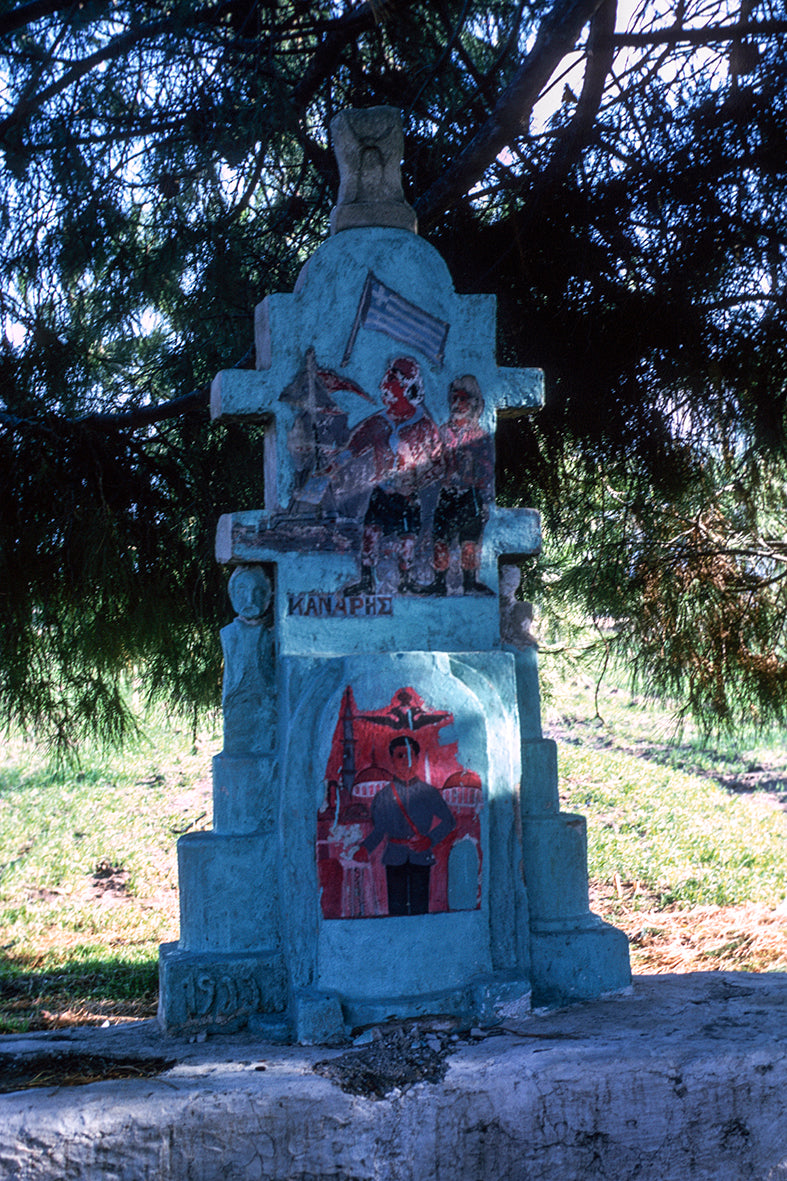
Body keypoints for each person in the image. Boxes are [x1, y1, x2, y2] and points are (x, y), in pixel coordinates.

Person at [342, 357, 441, 595]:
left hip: (407, 496)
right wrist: (333, 464)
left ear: (408, 386)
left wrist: (416, 482)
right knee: (370, 534)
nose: (383, 386)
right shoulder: (379, 421)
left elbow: (439, 463)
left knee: (408, 539)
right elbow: (354, 447)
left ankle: (406, 580)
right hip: (382, 492)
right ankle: (367, 581)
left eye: (391, 380)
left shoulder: (424, 426)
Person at [354, 735, 455, 916]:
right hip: (394, 856)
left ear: (416, 759)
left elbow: (449, 821)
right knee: (397, 909)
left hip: (421, 855)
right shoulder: (383, 796)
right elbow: (379, 830)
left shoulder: (429, 793)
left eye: (410, 755)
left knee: (420, 909)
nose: (405, 761)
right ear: (392, 759)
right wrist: (365, 848)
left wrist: (430, 840)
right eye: (400, 756)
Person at [417, 375, 494, 596]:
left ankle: (469, 583)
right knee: (440, 539)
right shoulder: (443, 433)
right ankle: (439, 582)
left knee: (469, 542)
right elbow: (433, 462)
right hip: (447, 494)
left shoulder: (480, 436)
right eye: (454, 398)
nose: (457, 404)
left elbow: (487, 470)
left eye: (463, 399)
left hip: (470, 495)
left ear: (474, 403)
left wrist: (473, 474)